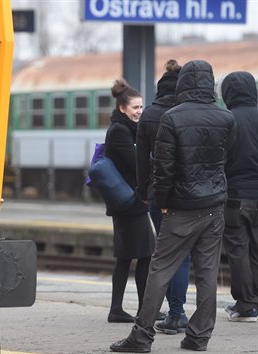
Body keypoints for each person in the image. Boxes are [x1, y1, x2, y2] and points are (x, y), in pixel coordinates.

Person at [110, 60, 235, 353]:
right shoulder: (226, 118)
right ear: (210, 82)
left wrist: (162, 202)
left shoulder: (172, 118)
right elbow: (225, 161)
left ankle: (141, 337)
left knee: (160, 270)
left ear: (183, 84)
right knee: (207, 274)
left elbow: (163, 168)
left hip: (180, 207)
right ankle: (198, 337)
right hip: (214, 206)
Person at [136, 59, 190, 334]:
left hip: (159, 193)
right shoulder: (189, 111)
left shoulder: (150, 114)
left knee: (165, 253)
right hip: (192, 194)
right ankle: (179, 312)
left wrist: (143, 192)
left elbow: (142, 161)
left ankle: (172, 313)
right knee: (186, 255)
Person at [220, 71, 258, 322]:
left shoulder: (226, 120)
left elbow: (220, 161)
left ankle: (245, 305)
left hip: (233, 196)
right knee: (256, 248)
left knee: (237, 250)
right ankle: (257, 301)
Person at [104, 78, 154, 323]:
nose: (139, 111)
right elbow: (138, 164)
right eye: (135, 107)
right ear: (122, 108)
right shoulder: (119, 132)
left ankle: (117, 309)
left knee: (126, 257)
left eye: (142, 107)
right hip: (128, 203)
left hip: (126, 202)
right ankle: (143, 309)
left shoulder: (126, 129)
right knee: (145, 254)